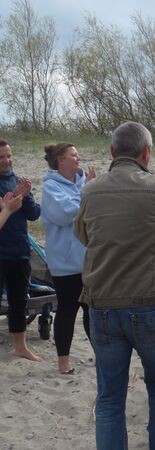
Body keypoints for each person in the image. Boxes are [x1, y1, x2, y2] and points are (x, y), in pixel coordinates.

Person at [74, 121, 155, 450]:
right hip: (150, 304)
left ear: (111, 152)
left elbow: (83, 235)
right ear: (147, 153)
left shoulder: (91, 190)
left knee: (109, 397)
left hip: (102, 306)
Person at [41, 143, 95, 374]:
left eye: (77, 153)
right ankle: (63, 362)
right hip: (64, 263)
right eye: (73, 154)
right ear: (60, 160)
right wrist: (87, 193)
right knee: (67, 311)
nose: (77, 157)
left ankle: (101, 356)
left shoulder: (84, 184)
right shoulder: (51, 187)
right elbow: (64, 215)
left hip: (89, 261)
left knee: (92, 311)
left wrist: (88, 191)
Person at [0, 138, 42, 361]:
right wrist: (8, 204)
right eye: (1, 157)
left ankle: (20, 347)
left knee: (19, 301)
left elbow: (34, 214)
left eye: (8, 155)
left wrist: (24, 196)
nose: (6, 160)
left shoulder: (19, 181)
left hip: (19, 251)